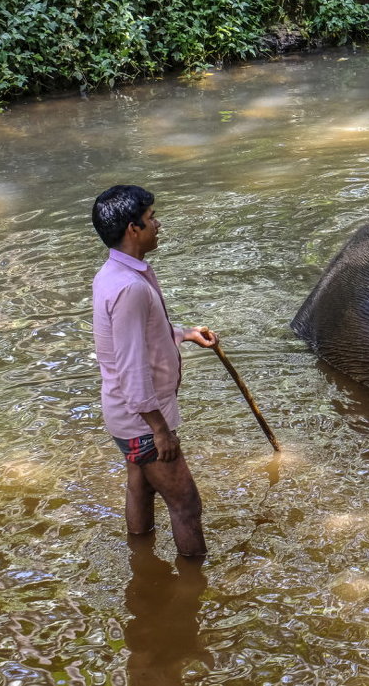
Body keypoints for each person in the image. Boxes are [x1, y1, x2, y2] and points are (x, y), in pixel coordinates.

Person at [91, 185, 218, 557]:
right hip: (142, 420)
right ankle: (194, 585)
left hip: (126, 415)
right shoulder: (130, 288)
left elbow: (134, 340)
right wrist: (159, 430)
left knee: (141, 485)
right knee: (187, 505)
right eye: (150, 219)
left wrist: (184, 334)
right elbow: (132, 367)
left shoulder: (113, 272)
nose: (157, 224)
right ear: (133, 229)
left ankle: (141, 563)